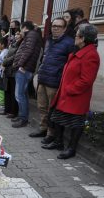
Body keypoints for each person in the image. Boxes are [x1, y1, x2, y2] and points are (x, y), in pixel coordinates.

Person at [43, 24, 100, 159]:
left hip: (76, 96)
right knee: (57, 118)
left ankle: (71, 149)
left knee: (75, 122)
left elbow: (86, 80)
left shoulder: (91, 55)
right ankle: (58, 142)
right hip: (65, 94)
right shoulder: (78, 50)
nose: (74, 37)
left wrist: (70, 89)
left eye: (77, 35)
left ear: (83, 38)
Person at [30, 18, 74, 143]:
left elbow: (70, 64)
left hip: (54, 82)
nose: (55, 28)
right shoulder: (49, 40)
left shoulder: (69, 43)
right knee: (42, 107)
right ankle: (43, 128)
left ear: (64, 29)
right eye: (54, 26)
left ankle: (51, 133)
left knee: (52, 109)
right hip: (43, 78)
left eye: (59, 26)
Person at [12, 21, 43, 128]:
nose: (20, 31)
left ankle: (23, 118)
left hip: (24, 69)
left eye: (20, 29)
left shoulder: (31, 35)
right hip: (25, 68)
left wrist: (20, 65)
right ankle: (22, 116)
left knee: (19, 95)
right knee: (23, 94)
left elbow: (27, 51)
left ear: (24, 28)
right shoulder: (32, 35)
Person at [2, 29, 21, 119]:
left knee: (13, 92)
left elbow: (15, 57)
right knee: (7, 91)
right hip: (8, 70)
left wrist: (5, 61)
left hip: (14, 70)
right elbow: (7, 55)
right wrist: (5, 60)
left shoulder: (21, 45)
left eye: (18, 34)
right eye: (16, 34)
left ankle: (13, 112)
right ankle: (7, 109)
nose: (16, 36)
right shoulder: (13, 43)